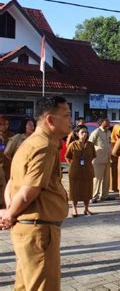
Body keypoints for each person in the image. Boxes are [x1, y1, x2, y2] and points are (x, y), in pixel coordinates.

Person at [1, 96, 71, 290]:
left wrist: (10, 210)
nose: (70, 120)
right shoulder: (45, 146)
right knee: (43, 286)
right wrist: (10, 214)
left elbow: (12, 183)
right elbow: (29, 189)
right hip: (39, 230)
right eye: (66, 115)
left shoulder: (29, 143)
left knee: (25, 285)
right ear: (50, 120)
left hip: (27, 228)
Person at [65, 125, 96, 217]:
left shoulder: (90, 145)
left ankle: (86, 209)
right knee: (74, 191)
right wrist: (73, 164)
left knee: (87, 190)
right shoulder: (73, 145)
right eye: (82, 132)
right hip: (75, 171)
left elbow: (93, 156)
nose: (85, 134)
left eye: (86, 132)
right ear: (77, 134)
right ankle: (74, 209)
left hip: (87, 171)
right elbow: (67, 157)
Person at [89, 118, 112, 202]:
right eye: (107, 121)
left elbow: (109, 143)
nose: (109, 123)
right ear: (102, 122)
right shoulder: (96, 132)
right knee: (97, 179)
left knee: (106, 179)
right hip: (98, 159)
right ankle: (94, 196)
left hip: (107, 159)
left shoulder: (109, 132)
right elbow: (90, 144)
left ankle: (105, 195)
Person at [110, 122, 120, 193]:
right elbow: (112, 152)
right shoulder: (112, 141)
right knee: (114, 174)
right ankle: (114, 187)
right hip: (114, 160)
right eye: (119, 130)